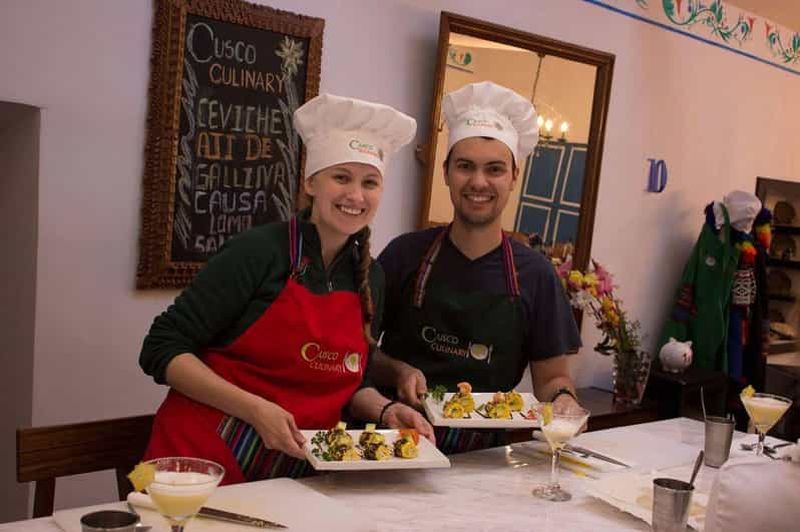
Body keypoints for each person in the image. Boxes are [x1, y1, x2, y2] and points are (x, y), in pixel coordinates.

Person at [139, 93, 433, 484]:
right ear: (312, 182)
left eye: (370, 183)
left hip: (291, 475)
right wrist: (256, 409)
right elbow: (161, 347)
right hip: (199, 466)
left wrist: (384, 411)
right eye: (341, 177)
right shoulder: (258, 252)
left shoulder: (371, 277)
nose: (356, 196)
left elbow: (348, 380)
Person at [369, 81, 583, 452]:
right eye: (465, 166)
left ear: (514, 176)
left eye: (495, 169)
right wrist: (398, 370)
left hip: (484, 454)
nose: (478, 182)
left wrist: (563, 399)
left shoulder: (537, 275)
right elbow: (358, 350)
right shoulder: (404, 255)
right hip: (394, 440)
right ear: (446, 172)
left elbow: (553, 378)